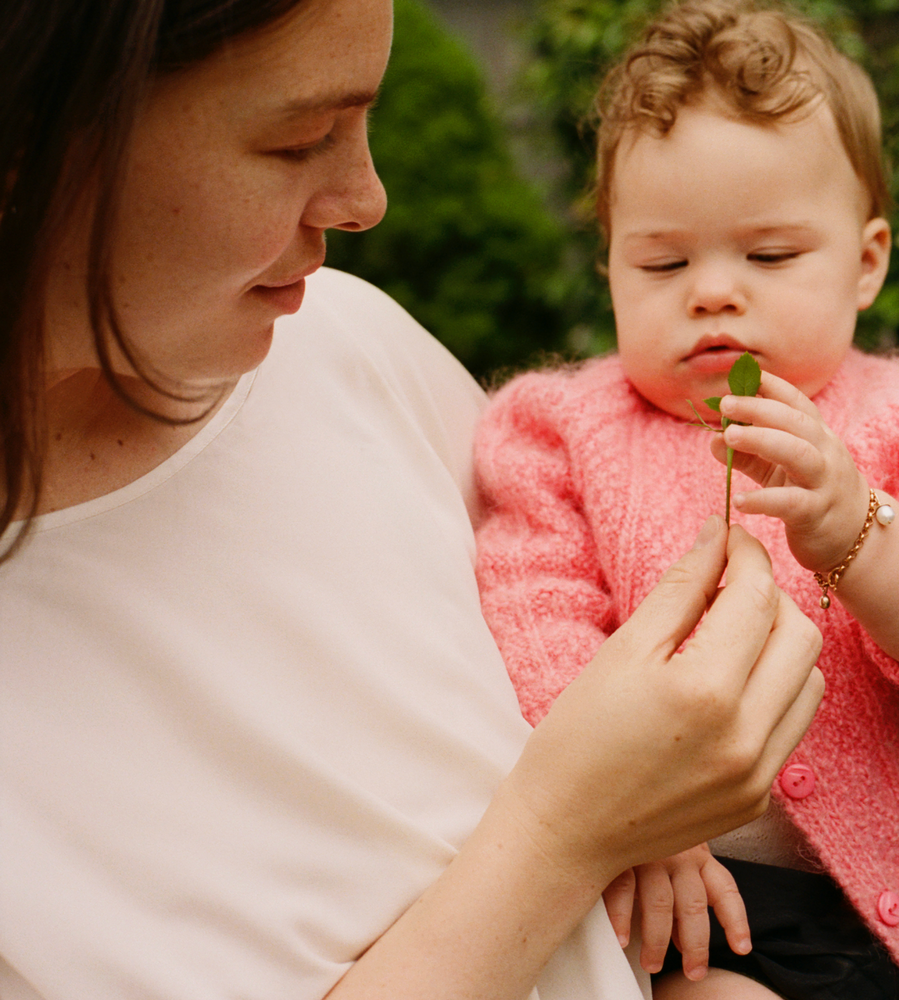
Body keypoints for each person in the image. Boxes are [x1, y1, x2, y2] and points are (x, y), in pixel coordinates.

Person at [0, 1, 827, 998]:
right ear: (29, 143)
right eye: (298, 139)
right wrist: (563, 831)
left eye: (363, 126)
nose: (366, 198)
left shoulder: (347, 353)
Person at [471, 3, 899, 1000]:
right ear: (610, 270)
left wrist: (863, 536)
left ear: (866, 259)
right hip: (685, 908)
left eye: (767, 257)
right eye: (664, 263)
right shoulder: (554, 432)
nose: (712, 292)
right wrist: (628, 811)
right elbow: (532, 624)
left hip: (898, 911)